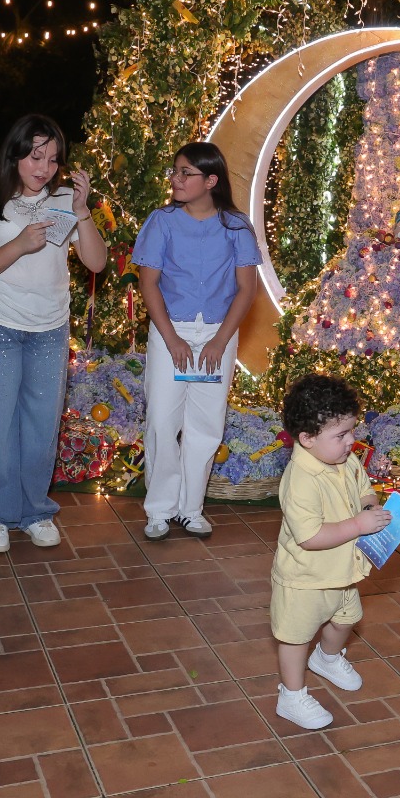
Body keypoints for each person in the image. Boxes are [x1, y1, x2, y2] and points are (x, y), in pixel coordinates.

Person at [0, 115, 106, 553]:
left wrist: (82, 212)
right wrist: (19, 244)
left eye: (53, 159)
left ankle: (36, 511)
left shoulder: (63, 199)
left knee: (42, 426)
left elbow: (96, 262)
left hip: (49, 328)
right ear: (15, 153)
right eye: (36, 156)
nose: (44, 168)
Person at [131, 142, 260, 540]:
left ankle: (190, 509)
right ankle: (160, 509)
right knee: (161, 420)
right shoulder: (161, 221)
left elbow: (247, 289)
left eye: (185, 172)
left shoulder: (237, 226)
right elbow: (148, 284)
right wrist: (171, 339)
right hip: (171, 331)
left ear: (210, 180)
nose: (176, 178)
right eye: (175, 171)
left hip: (218, 334)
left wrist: (220, 342)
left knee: (206, 423)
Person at [270, 374, 390, 729]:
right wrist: (358, 525)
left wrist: (369, 507)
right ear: (307, 438)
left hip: (343, 571)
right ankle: (291, 696)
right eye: (341, 435)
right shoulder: (301, 479)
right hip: (305, 579)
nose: (351, 441)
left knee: (347, 619)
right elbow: (309, 537)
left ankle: (326, 657)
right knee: (295, 639)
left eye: (352, 431)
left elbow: (365, 490)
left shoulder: (345, 460)